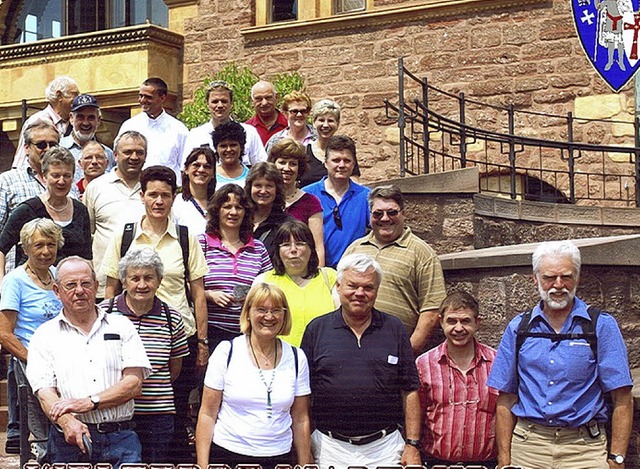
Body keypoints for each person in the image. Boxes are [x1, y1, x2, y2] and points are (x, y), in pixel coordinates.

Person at [487, 240, 633, 469]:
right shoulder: (519, 328)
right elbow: (505, 398)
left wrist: (617, 458)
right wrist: (504, 459)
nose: (558, 285)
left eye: (566, 276)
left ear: (577, 277)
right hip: (529, 447)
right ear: (535, 279)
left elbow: (622, 397)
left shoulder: (600, 326)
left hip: (584, 448)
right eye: (549, 278)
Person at [100, 165, 209, 462]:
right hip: (125, 336)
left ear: (173, 197)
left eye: (165, 195)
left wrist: (202, 342)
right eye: (152, 195)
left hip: (178, 338)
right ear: (143, 197)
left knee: (168, 416)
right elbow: (111, 288)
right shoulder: (125, 236)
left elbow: (198, 293)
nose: (159, 201)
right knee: (124, 411)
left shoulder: (186, 238)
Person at [25, 256, 152, 468]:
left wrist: (88, 402)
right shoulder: (44, 335)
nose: (79, 290)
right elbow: (45, 393)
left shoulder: (122, 326)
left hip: (122, 439)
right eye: (71, 285)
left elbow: (133, 384)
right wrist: (67, 421)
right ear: (56, 291)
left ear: (96, 286)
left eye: (85, 283)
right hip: (69, 441)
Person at [300, 253, 421, 469]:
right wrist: (304, 446)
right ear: (338, 286)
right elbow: (303, 396)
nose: (359, 293)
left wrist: (412, 445)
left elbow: (409, 390)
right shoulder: (316, 330)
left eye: (368, 287)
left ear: (376, 291)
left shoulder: (394, 329)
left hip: (384, 448)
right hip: (329, 448)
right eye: (352, 286)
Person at [195, 282, 312, 469]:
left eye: (276, 310)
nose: (269, 317)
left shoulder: (297, 358)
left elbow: (300, 418)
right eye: (261, 309)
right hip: (228, 456)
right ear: (248, 313)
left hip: (279, 458)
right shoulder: (227, 352)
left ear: (284, 315)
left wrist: (305, 464)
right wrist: (203, 466)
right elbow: (207, 414)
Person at [100, 247, 189, 463]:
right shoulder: (103, 313)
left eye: (149, 278)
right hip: (115, 415)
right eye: (135, 278)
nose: (142, 285)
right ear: (123, 280)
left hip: (157, 415)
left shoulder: (173, 319)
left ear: (159, 280)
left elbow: (174, 369)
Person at [344, 184, 446, 354]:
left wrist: (407, 351)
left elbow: (432, 310)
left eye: (392, 212)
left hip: (395, 352)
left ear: (404, 214)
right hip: (352, 351)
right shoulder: (355, 249)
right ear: (370, 216)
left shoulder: (422, 253)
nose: (385, 218)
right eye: (378, 213)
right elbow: (338, 294)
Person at [0, 219, 65, 462]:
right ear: (25, 248)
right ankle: (44, 457)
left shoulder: (58, 275)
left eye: (51, 244)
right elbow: (4, 333)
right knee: (42, 418)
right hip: (30, 358)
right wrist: (35, 359)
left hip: (63, 356)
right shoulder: (15, 281)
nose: (46, 251)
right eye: (39, 245)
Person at [416, 291, 498, 467]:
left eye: (465, 321)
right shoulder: (424, 364)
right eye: (452, 321)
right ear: (441, 322)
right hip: (436, 462)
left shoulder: (496, 363)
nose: (458, 328)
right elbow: (417, 414)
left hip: (486, 463)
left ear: (478, 323)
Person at [0, 147, 92, 284]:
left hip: (71, 288)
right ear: (44, 176)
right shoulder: (26, 210)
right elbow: (1, 249)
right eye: (55, 175)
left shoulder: (80, 210)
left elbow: (87, 256)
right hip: (32, 286)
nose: (61, 181)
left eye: (67, 176)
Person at [199, 184, 272, 351]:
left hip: (247, 332)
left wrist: (252, 296)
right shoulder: (201, 243)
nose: (233, 212)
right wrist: (209, 295)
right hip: (211, 331)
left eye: (239, 207)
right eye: (227, 207)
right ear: (217, 210)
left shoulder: (258, 248)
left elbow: (268, 288)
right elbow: (186, 285)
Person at [83, 130, 147, 299]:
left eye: (139, 152)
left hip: (144, 283)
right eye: (128, 152)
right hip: (103, 285)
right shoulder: (96, 187)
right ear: (115, 155)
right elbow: (87, 234)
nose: (134, 157)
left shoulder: (152, 188)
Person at [255, 220, 337, 346]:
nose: (293, 250)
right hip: (281, 359)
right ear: (278, 250)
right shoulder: (264, 281)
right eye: (286, 245)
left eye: (300, 244)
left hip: (323, 356)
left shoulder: (330, 278)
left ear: (311, 248)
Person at [0, 120, 60, 274]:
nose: (48, 149)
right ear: (26, 147)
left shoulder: (65, 182)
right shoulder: (7, 181)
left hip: (58, 277)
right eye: (41, 145)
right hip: (18, 276)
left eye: (53, 145)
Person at [303, 135, 369, 268]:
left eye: (347, 160)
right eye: (336, 160)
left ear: (353, 164)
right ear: (325, 162)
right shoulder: (307, 196)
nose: (341, 165)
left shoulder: (366, 197)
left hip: (354, 272)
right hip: (315, 271)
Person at [117, 77, 189, 183]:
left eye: (148, 97)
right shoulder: (129, 126)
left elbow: (185, 166)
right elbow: (119, 159)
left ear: (162, 98)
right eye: (140, 96)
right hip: (135, 187)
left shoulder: (179, 129)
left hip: (168, 189)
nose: (142, 100)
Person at [267, 137, 325, 266]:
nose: (287, 168)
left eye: (293, 164)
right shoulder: (263, 199)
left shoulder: (310, 202)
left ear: (300, 168)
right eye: (282, 162)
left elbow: (318, 247)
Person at [182, 80, 266, 167]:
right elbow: (186, 168)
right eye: (215, 101)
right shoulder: (195, 135)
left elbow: (262, 166)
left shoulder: (249, 132)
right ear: (207, 104)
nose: (220, 105)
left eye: (224, 101)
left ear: (231, 104)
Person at [12, 76, 79, 169]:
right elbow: (21, 160)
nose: (78, 99)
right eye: (75, 94)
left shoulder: (74, 123)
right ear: (59, 96)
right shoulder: (37, 120)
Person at [300, 99, 359, 187]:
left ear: (338, 123)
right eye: (321, 120)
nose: (326, 125)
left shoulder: (346, 152)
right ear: (314, 122)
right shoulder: (304, 153)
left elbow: (355, 182)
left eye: (330, 121)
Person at [59, 93, 115, 182]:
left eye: (91, 118)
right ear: (71, 118)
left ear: (98, 120)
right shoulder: (58, 149)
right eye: (80, 117)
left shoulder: (108, 154)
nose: (85, 123)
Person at [246, 162, 294, 259]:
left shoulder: (286, 224)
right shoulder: (239, 219)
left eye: (269, 186)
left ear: (277, 189)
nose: (263, 191)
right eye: (258, 185)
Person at [173, 146, 216, 236]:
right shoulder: (176, 203)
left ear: (213, 173)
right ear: (186, 170)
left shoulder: (219, 202)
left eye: (207, 166)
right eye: (196, 165)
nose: (201, 170)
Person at [245, 80, 289, 146]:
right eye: (258, 99)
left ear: (276, 97)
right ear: (252, 101)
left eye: (268, 97)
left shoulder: (289, 125)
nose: (264, 103)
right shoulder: (247, 129)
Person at [213, 121, 250, 189]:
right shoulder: (210, 176)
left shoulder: (251, 176)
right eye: (223, 146)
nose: (229, 150)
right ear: (216, 148)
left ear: (241, 147)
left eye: (233, 145)